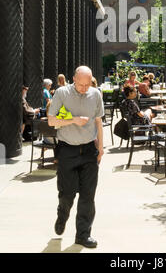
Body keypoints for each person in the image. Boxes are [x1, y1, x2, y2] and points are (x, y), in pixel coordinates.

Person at [47, 66, 104, 249]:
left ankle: (83, 235)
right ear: (73, 79)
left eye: (87, 85)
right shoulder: (62, 93)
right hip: (67, 151)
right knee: (67, 194)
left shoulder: (95, 94)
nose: (84, 88)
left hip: (89, 151)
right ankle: (62, 215)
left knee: (88, 195)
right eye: (81, 85)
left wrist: (101, 148)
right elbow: (51, 120)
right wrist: (73, 120)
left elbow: (98, 122)